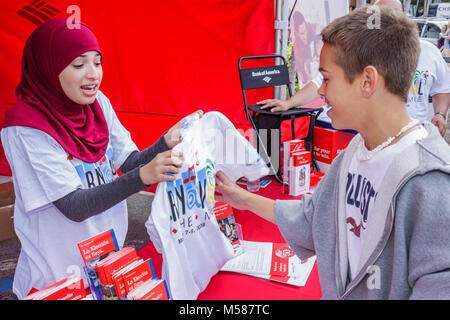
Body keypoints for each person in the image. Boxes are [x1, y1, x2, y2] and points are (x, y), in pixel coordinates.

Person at [216, 6, 450, 299]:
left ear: (367, 82)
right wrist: (242, 198)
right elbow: (314, 219)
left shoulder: (433, 183)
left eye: (326, 78)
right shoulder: (354, 153)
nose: (321, 91)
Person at [0, 17, 202, 299]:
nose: (93, 74)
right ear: (48, 68)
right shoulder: (26, 129)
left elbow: (128, 161)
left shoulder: (97, 104)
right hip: (57, 278)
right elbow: (73, 205)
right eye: (79, 65)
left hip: (108, 266)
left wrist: (163, 143)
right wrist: (143, 177)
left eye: (97, 61)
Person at [258, 0, 450, 138]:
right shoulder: (361, 54)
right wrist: (289, 103)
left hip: (417, 136)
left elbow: (442, 87)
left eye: (393, 17)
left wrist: (440, 114)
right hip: (374, 137)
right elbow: (319, 82)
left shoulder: (429, 52)